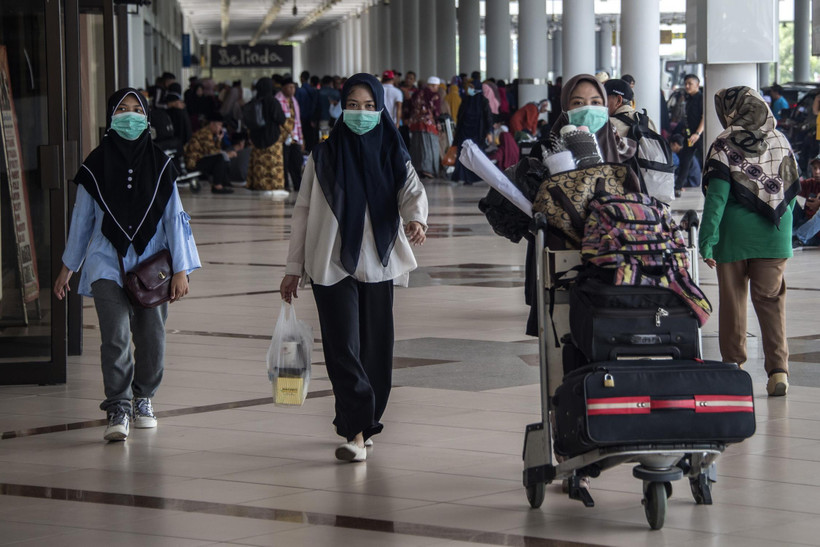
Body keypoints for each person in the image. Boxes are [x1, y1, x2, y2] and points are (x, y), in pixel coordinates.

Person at [279, 73, 428, 462]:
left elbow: (412, 190)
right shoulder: (323, 156)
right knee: (343, 347)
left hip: (378, 263)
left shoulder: (393, 151)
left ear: (380, 108)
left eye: (368, 106)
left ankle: (363, 421)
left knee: (375, 349)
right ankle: (358, 431)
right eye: (352, 106)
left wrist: (416, 219)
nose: (360, 113)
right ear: (340, 108)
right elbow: (303, 212)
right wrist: (294, 266)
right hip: (330, 263)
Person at [53, 88, 201, 441]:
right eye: (122, 109)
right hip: (106, 262)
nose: (130, 116)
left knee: (152, 336)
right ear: (111, 116)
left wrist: (181, 269)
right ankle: (118, 404)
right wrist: (67, 267)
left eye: (137, 110)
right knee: (115, 336)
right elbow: (82, 220)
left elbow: (174, 218)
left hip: (152, 265)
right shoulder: (95, 164)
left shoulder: (161, 164)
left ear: (147, 117)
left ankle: (144, 396)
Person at [699, 86, 800, 397]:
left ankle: (734, 367)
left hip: (733, 235)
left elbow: (717, 198)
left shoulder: (723, 144)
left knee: (733, 302)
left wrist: (707, 239)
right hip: (774, 235)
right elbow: (791, 193)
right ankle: (778, 372)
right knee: (771, 303)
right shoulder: (781, 142)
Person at [246, 77, 287, 194]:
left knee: (260, 164)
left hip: (256, 138)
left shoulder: (253, 102)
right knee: (273, 164)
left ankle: (259, 186)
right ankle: (274, 187)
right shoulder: (273, 102)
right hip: (272, 137)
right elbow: (281, 119)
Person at [451, 75, 493, 184]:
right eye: (468, 87)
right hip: (464, 132)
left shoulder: (483, 101)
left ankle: (474, 177)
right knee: (464, 153)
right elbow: (460, 117)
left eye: (471, 87)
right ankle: (464, 177)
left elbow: (488, 117)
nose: (469, 89)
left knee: (475, 154)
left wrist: (489, 132)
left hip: (477, 133)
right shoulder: (465, 100)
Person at [184, 112, 236, 194]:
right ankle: (217, 186)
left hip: (200, 159)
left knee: (221, 157)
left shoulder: (210, 134)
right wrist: (227, 154)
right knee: (220, 158)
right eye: (219, 125)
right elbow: (211, 151)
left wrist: (218, 140)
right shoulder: (205, 134)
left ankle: (224, 183)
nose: (220, 128)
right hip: (194, 162)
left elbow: (213, 150)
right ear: (212, 124)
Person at [674, 74, 704, 197]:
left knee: (706, 160)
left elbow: (704, 117)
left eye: (690, 84)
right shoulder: (687, 98)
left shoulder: (701, 98)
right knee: (685, 160)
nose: (687, 86)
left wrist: (698, 133)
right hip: (689, 136)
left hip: (698, 136)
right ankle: (678, 187)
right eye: (686, 83)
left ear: (697, 84)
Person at [408, 76, 442, 179]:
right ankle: (428, 170)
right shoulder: (434, 96)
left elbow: (410, 106)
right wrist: (438, 122)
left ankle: (416, 169)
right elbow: (436, 111)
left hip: (416, 124)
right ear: (432, 85)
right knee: (429, 146)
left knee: (416, 147)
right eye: (436, 86)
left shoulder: (416, 94)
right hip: (428, 125)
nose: (437, 88)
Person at [276, 78, 305, 191]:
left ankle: (298, 185)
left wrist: (301, 138)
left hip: (295, 137)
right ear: (283, 88)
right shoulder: (278, 100)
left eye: (293, 87)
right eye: (290, 87)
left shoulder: (294, 100)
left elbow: (297, 120)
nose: (292, 90)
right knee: (284, 162)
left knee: (297, 161)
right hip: (283, 137)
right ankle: (285, 185)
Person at [792, 153, 820, 246]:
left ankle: (798, 237)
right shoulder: (810, 183)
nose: (817, 171)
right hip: (803, 223)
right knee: (791, 200)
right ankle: (787, 234)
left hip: (816, 235)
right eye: (815, 168)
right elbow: (791, 189)